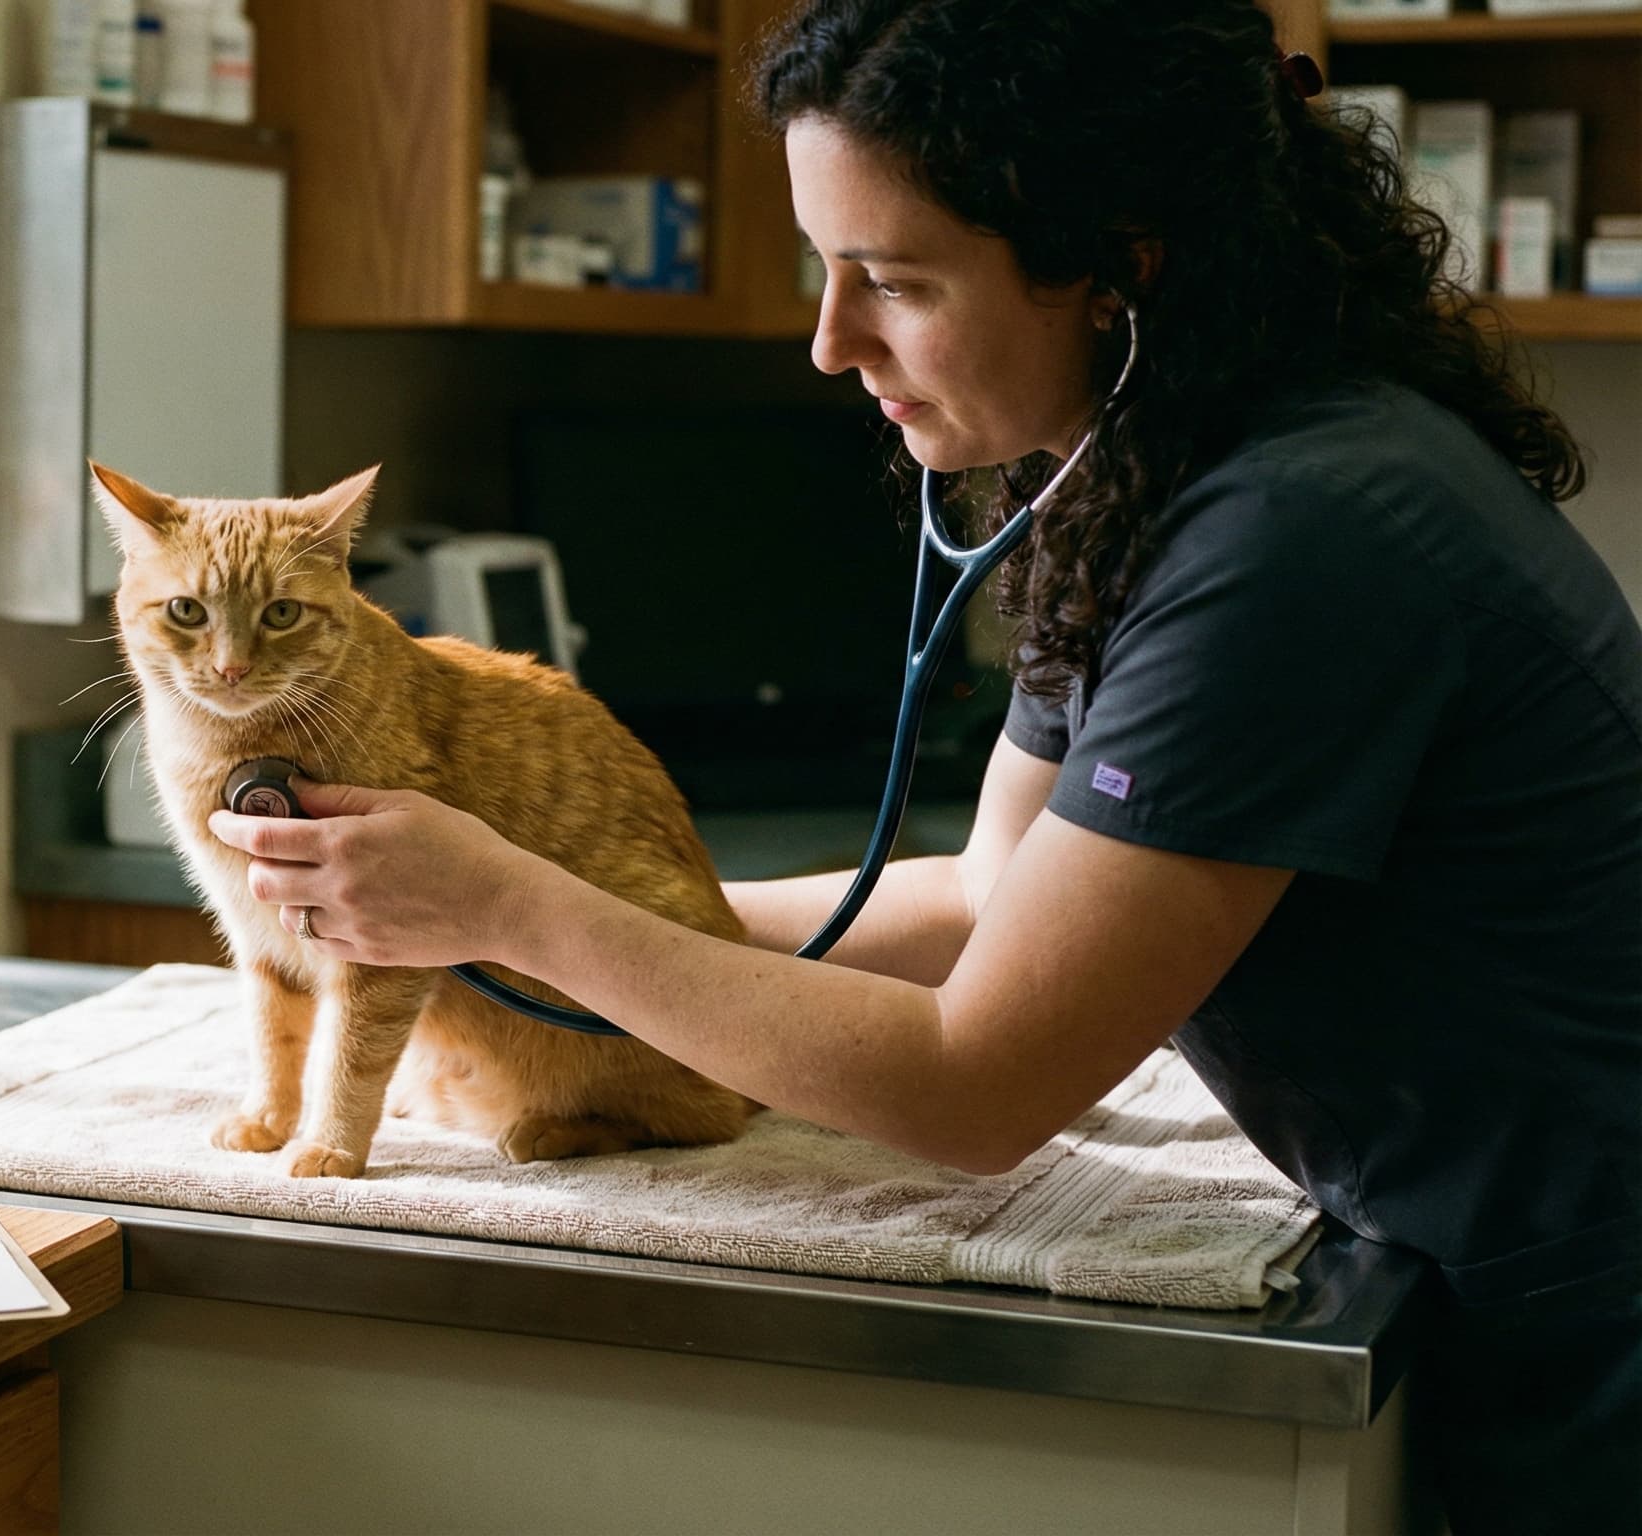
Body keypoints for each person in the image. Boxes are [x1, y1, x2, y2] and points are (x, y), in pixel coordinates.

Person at [206, 1, 1642, 1528]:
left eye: (891, 280)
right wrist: (543, 889)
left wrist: (521, 911)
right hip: (1484, 1265)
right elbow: (995, 893)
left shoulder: (1300, 536)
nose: (831, 344)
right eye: (824, 271)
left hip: (1586, 1328)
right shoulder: (1149, 475)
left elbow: (979, 1081)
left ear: (1119, 266)